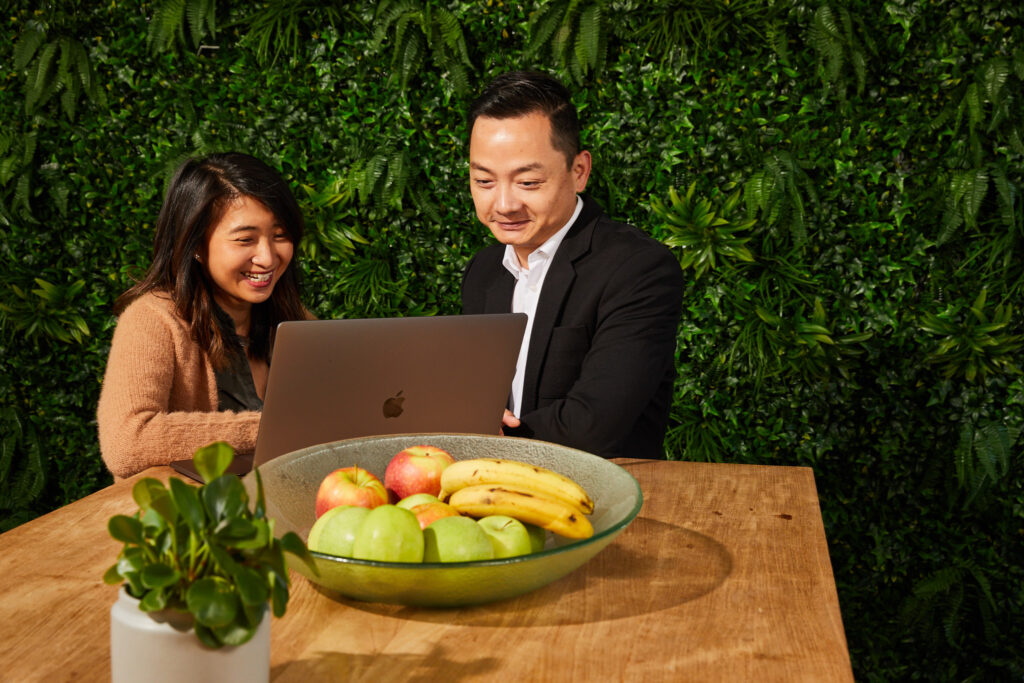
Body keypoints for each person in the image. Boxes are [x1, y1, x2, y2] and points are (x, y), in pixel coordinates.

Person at [461, 71, 685, 459]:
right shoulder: (483, 270)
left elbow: (595, 424)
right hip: (490, 495)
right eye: (484, 181)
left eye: (527, 183)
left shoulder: (639, 269)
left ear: (579, 171)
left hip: (607, 498)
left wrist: (478, 440)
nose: (504, 205)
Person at [97, 152, 310, 477]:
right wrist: (271, 428)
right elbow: (128, 441)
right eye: (245, 240)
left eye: (279, 236)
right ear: (195, 244)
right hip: (193, 520)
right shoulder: (152, 319)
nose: (267, 257)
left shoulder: (297, 322)